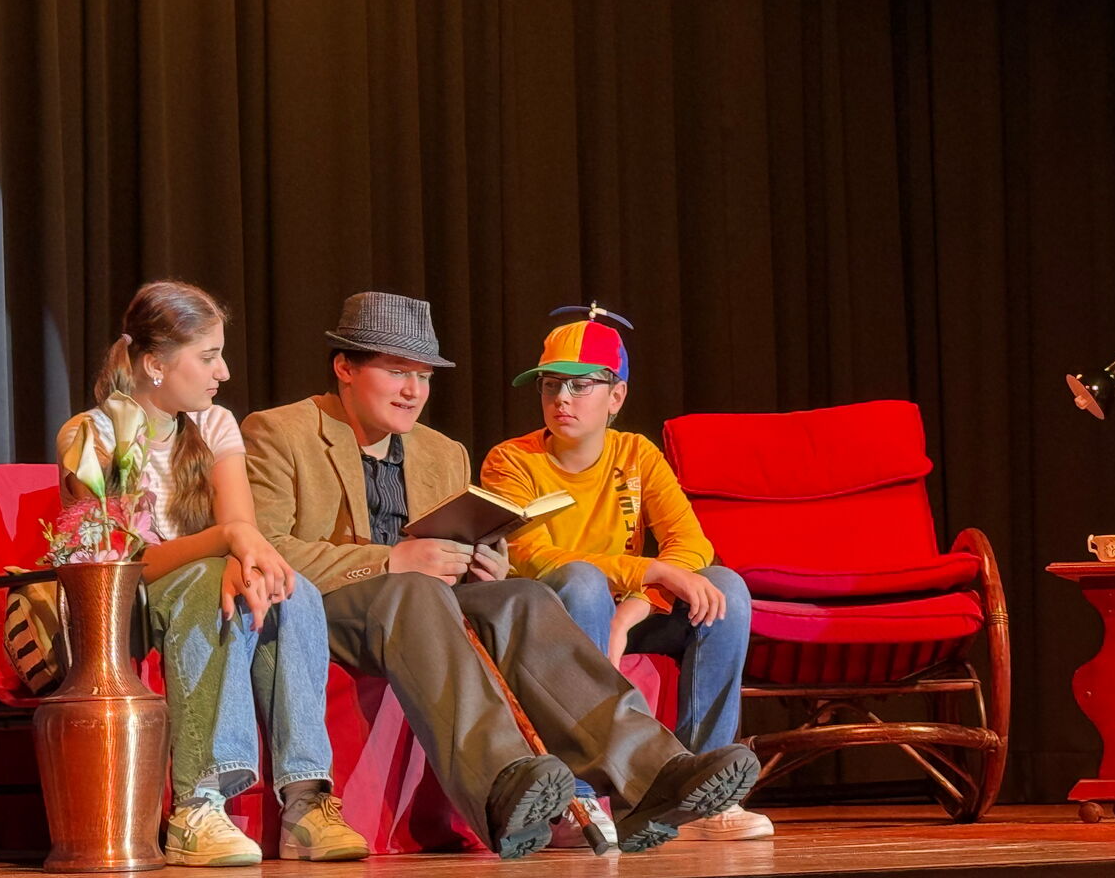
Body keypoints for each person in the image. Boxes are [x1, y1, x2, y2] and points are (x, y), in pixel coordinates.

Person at [239, 291, 759, 858]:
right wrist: (391, 560)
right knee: (413, 591)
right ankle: (502, 787)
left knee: (522, 598)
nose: (414, 391)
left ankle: (656, 775)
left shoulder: (442, 453)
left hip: (424, 606)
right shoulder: (278, 431)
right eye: (396, 372)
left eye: (424, 376)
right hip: (331, 607)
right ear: (345, 368)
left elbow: (471, 555)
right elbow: (265, 549)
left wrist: (488, 566)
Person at [55, 280, 369, 865]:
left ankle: (307, 800)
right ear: (155, 364)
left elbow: (240, 526)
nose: (223, 371)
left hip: (203, 578)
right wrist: (225, 546)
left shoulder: (214, 424)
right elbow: (123, 562)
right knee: (210, 587)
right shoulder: (90, 434)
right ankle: (198, 804)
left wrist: (240, 556)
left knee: (292, 588)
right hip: (122, 604)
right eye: (208, 357)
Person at [479, 311, 773, 841]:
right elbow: (533, 557)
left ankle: (701, 791)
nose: (562, 399)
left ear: (616, 397)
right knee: (582, 582)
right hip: (555, 620)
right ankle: (582, 795)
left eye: (580, 385)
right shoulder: (511, 461)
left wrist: (634, 608)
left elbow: (692, 542)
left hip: (624, 613)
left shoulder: (637, 453)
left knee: (725, 587)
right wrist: (651, 569)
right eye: (550, 385)